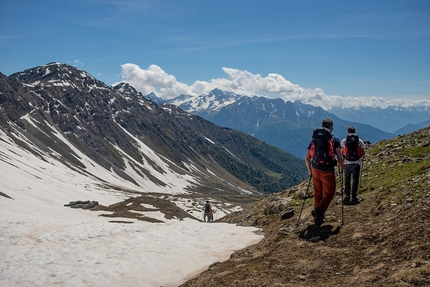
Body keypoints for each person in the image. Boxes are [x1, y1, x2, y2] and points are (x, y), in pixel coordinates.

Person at [305, 119, 344, 226]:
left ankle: (319, 218)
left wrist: (310, 171)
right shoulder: (334, 139)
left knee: (318, 193)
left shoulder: (314, 140)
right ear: (330, 127)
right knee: (329, 193)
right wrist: (342, 167)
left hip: (315, 169)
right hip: (327, 170)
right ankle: (318, 211)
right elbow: (339, 156)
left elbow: (307, 158)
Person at [341, 126, 365, 205]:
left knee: (347, 179)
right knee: (355, 180)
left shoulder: (344, 141)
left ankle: (347, 195)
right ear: (355, 131)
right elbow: (363, 152)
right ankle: (354, 196)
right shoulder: (360, 141)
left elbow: (342, 152)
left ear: (348, 132)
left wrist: (341, 161)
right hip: (356, 163)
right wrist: (361, 159)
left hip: (347, 163)